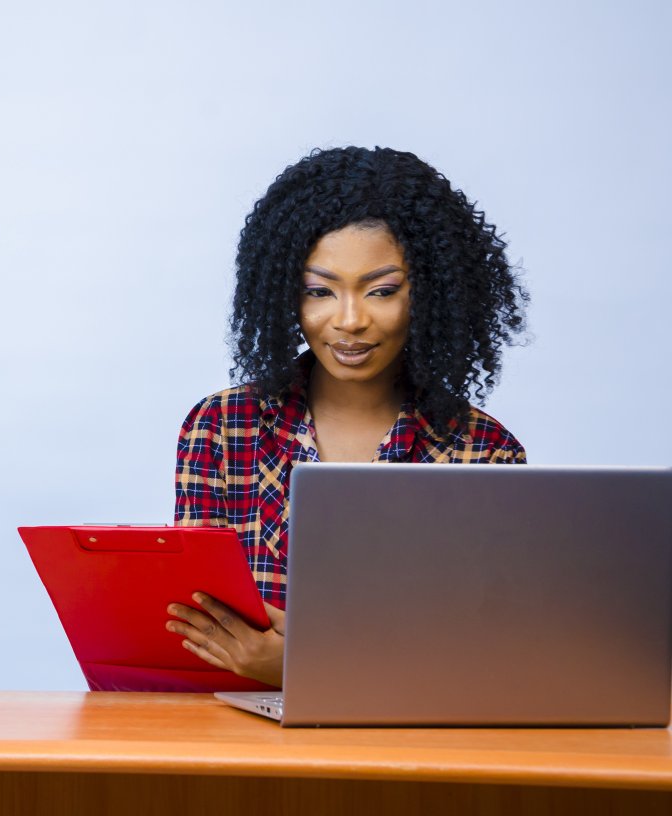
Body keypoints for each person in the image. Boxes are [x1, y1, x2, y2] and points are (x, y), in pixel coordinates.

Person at [166, 146, 528, 687]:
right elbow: (199, 629)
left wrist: (302, 665)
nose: (350, 319)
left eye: (382, 291)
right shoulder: (220, 428)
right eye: (320, 291)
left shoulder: (483, 452)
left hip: (408, 746)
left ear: (429, 292)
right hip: (241, 742)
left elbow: (484, 652)